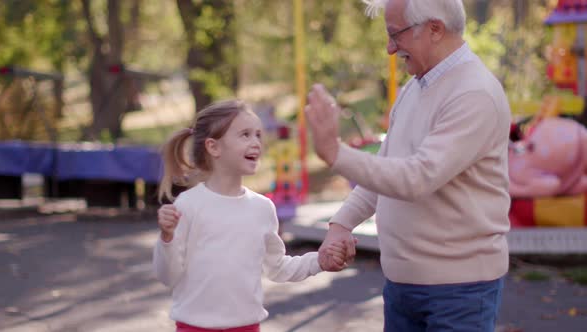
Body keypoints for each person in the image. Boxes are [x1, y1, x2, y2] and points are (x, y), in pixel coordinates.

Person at [305, 0, 512, 331]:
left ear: (434, 28)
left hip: (459, 294)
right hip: (402, 287)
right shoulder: (414, 88)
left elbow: (417, 178)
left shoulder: (474, 94)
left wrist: (335, 153)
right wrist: (341, 224)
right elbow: (385, 169)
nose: (389, 49)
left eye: (395, 34)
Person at [152, 100, 348, 332]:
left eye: (258, 135)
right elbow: (168, 276)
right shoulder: (188, 205)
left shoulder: (262, 208)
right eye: (245, 135)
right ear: (213, 147)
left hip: (247, 327)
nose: (256, 143)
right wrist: (166, 237)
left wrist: (319, 261)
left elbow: (278, 267)